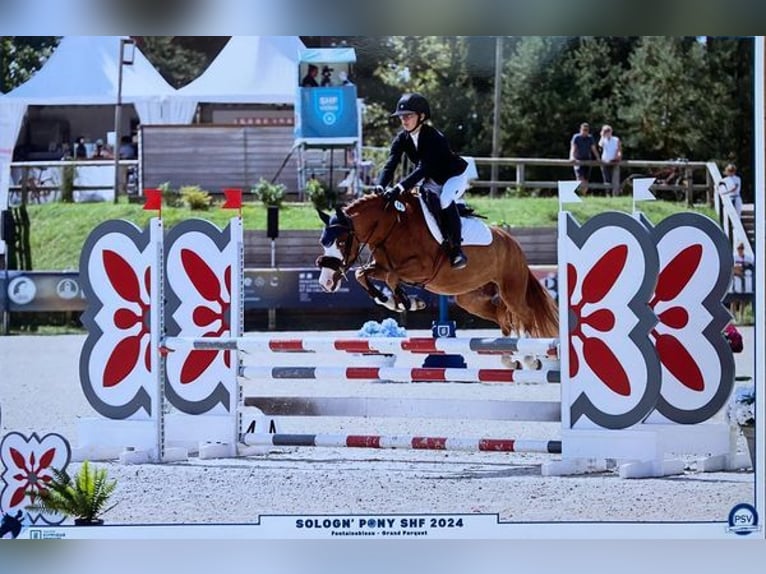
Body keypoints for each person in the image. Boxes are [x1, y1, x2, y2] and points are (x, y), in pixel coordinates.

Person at [376, 92, 470, 269]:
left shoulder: (434, 137)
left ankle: (457, 250)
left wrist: (398, 188)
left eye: (408, 116)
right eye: (402, 117)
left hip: (453, 177)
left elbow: (423, 169)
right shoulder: (402, 138)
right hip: (432, 178)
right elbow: (391, 163)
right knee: (420, 203)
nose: (404, 120)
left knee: (444, 199)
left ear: (422, 116)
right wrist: (381, 185)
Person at [569, 122, 599, 195]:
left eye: (586, 130)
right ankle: (579, 193)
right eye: (583, 130)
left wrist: (598, 158)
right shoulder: (576, 137)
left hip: (587, 160)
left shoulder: (590, 138)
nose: (585, 131)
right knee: (580, 179)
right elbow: (573, 147)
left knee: (586, 180)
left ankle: (583, 194)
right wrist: (571, 157)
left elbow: (593, 149)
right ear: (580, 129)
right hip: (578, 160)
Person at [598, 124, 622, 193]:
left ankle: (615, 194)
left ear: (611, 131)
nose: (607, 132)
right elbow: (600, 146)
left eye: (608, 130)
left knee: (615, 179)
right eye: (605, 131)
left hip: (614, 162)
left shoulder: (616, 139)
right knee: (606, 179)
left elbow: (619, 150)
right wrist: (602, 135)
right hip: (605, 162)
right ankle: (608, 194)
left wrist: (618, 156)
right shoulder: (603, 140)